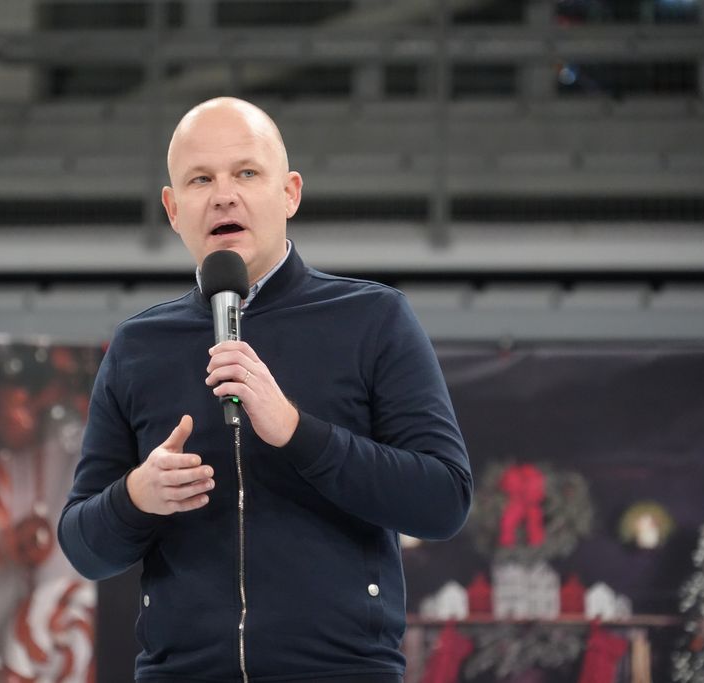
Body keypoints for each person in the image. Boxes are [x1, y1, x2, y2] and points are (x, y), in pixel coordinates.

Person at [59, 97, 472, 683]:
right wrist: (135, 496)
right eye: (200, 179)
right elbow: (83, 548)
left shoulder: (372, 319)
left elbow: (443, 500)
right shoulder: (137, 346)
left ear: (290, 193)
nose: (223, 195)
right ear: (173, 209)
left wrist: (299, 434)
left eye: (247, 173)